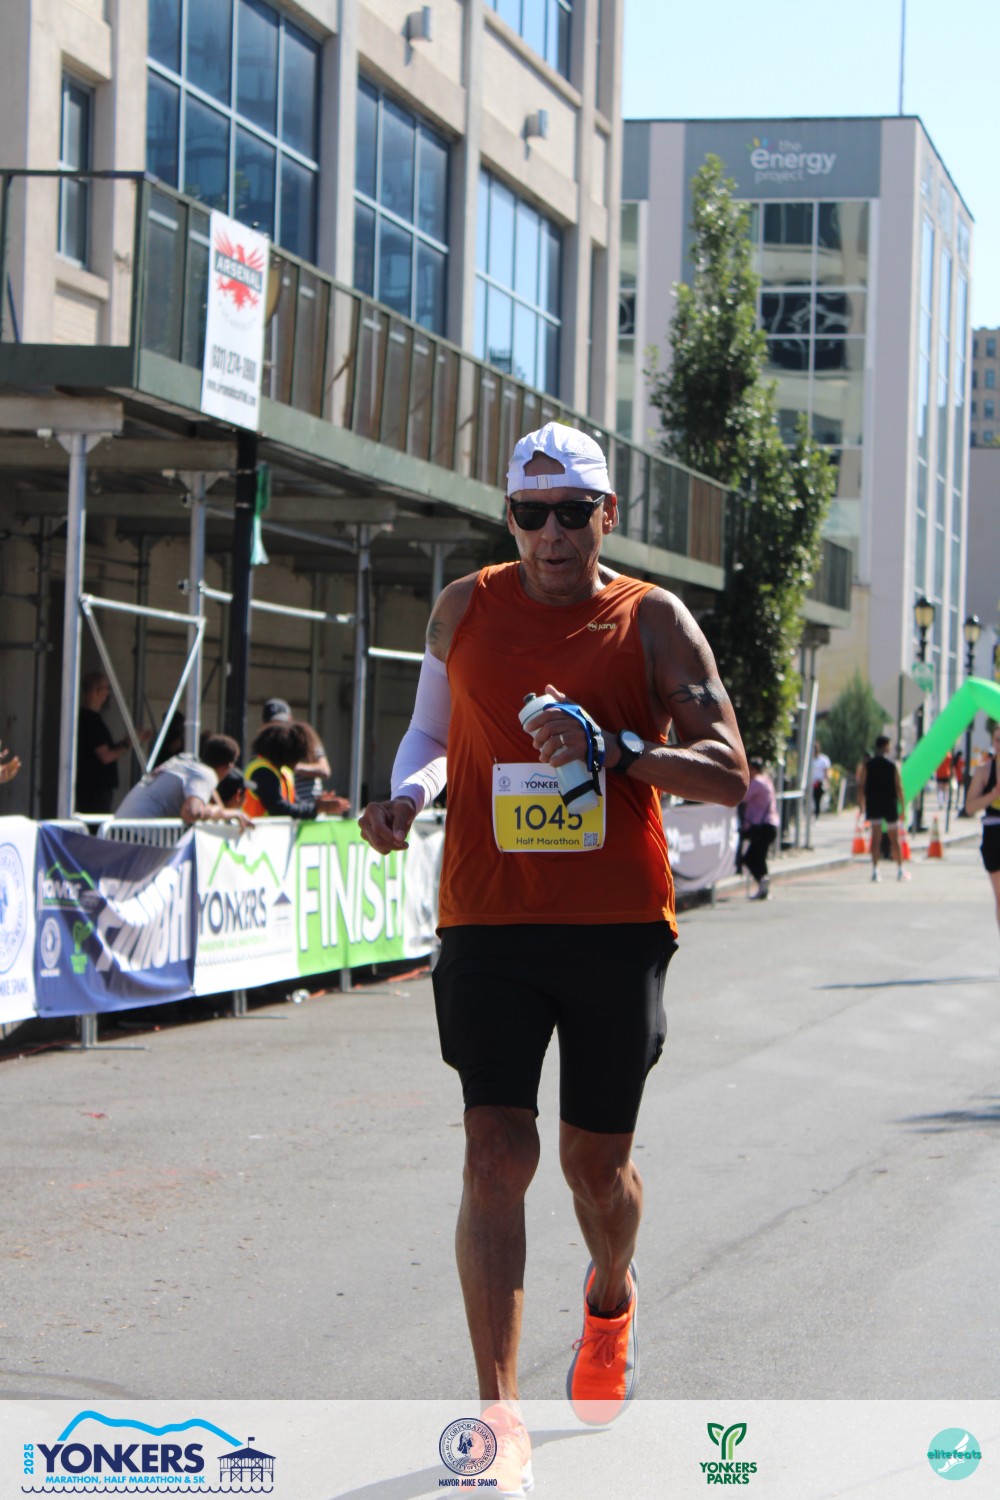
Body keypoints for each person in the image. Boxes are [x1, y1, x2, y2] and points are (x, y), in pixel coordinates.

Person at [359, 421, 748, 1487]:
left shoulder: (651, 619)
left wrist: (615, 748)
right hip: (488, 917)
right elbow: (433, 734)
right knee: (496, 1151)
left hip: (615, 926)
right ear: (510, 518)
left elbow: (728, 771)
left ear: (606, 516)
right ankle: (500, 1416)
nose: (552, 534)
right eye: (531, 514)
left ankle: (611, 1295)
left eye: (573, 512)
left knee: (593, 1169)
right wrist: (406, 796)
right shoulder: (463, 608)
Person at [115, 733, 251, 829]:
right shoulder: (205, 774)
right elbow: (191, 812)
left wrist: (223, 812)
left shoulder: (185, 762)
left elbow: (211, 797)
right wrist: (222, 813)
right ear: (227, 767)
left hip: (119, 830)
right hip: (140, 835)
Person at [76, 672, 151, 814]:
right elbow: (105, 756)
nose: (108, 693)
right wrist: (128, 745)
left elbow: (103, 749)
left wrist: (127, 742)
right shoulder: (91, 721)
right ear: (98, 691)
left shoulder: (87, 718)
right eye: (106, 689)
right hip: (95, 789)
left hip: (92, 787)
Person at [244, 722, 349, 819]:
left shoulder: (285, 772)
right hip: (255, 831)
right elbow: (278, 809)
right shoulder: (262, 771)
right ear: (288, 752)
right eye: (298, 756)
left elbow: (295, 803)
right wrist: (316, 808)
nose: (298, 761)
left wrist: (318, 805)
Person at [963, 720, 1000, 948]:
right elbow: (969, 807)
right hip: (994, 836)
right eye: (998, 740)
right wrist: (993, 795)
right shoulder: (985, 772)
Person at [260, 698, 333, 803]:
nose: (279, 728)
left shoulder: (305, 738)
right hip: (285, 805)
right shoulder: (265, 746)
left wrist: (292, 766)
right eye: (274, 724)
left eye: (282, 722)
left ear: (290, 719)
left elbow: (324, 770)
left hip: (309, 803)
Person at [857, 735, 906, 882]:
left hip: (874, 804)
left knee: (875, 838)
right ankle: (900, 869)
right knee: (894, 839)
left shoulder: (868, 765)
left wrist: (861, 804)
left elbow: (861, 786)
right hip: (889, 803)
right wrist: (902, 806)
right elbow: (899, 786)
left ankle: (875, 870)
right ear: (885, 746)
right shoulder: (892, 765)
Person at [740, 757, 780, 900]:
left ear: (754, 769)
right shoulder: (766, 780)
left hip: (763, 826)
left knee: (752, 858)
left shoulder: (757, 782)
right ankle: (764, 886)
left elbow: (742, 797)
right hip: (770, 825)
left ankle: (763, 884)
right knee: (759, 857)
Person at [810, 740, 832, 818]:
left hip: (819, 783)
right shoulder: (809, 760)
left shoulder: (823, 760)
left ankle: (817, 813)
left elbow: (826, 772)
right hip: (811, 783)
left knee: (818, 798)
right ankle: (814, 812)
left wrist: (828, 782)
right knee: (813, 798)